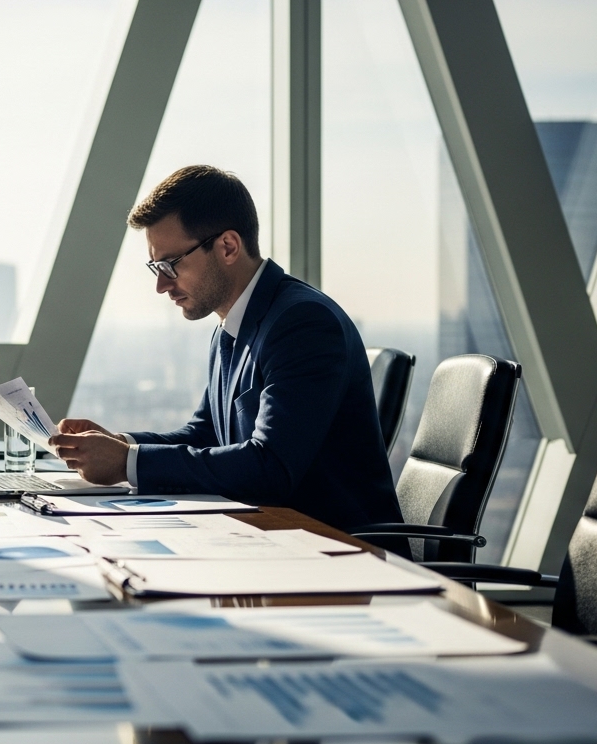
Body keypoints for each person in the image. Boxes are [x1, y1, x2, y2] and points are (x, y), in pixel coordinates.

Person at [49, 165, 402, 532]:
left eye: (170, 265)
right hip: (274, 541)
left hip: (342, 557)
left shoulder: (303, 323)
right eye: (156, 267)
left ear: (228, 247)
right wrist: (118, 444)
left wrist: (127, 463)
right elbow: (205, 435)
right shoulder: (231, 326)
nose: (161, 285)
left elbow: (270, 466)